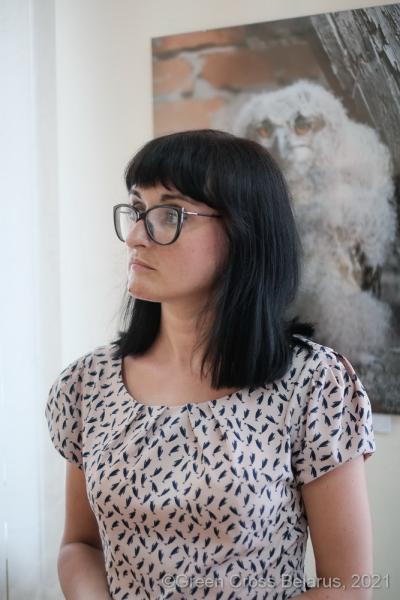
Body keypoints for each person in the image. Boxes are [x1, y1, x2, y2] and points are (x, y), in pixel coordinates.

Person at [45, 129, 376, 600]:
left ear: (243, 231)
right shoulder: (88, 383)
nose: (136, 236)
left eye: (169, 214)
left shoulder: (315, 384)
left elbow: (347, 586)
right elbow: (80, 544)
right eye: (137, 209)